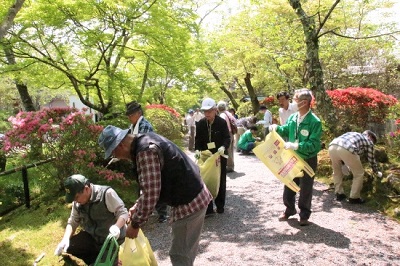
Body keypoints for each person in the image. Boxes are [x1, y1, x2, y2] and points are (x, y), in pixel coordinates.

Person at [98, 126, 212, 266]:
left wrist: (135, 224)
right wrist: (138, 205)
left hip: (190, 201)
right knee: (182, 253)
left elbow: (151, 192)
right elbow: (149, 185)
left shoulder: (145, 151)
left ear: (119, 145)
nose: (116, 157)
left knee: (181, 256)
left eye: (114, 153)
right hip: (192, 195)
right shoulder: (145, 139)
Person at [269, 89, 322, 226]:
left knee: (306, 187)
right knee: (289, 183)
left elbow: (314, 144)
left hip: (308, 158)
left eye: (295, 100)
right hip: (293, 157)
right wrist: (276, 128)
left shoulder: (314, 121)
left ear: (304, 103)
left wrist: (296, 146)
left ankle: (304, 214)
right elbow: (286, 129)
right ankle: (289, 209)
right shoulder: (294, 117)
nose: (293, 102)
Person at [54, 174, 128, 265]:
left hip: (113, 241)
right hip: (93, 239)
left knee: (108, 263)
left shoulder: (106, 194)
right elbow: (73, 221)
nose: (75, 201)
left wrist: (117, 227)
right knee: (71, 246)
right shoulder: (77, 203)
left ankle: (111, 260)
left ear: (86, 189)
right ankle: (96, 260)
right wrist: (65, 239)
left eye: (76, 197)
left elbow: (123, 213)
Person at [125, 101, 168, 223]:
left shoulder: (145, 125)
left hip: (150, 158)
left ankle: (162, 213)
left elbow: (139, 143)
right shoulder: (132, 126)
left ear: (139, 113)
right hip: (139, 158)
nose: (129, 117)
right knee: (142, 186)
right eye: (128, 115)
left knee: (153, 185)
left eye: (131, 114)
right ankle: (144, 210)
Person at [195, 98, 231, 215]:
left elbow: (227, 138)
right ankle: (209, 208)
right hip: (206, 156)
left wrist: (223, 147)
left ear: (215, 110)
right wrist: (197, 150)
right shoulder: (200, 124)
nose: (207, 114)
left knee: (220, 180)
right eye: (205, 111)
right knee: (206, 180)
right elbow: (198, 140)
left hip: (219, 156)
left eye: (209, 111)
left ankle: (220, 206)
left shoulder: (221, 122)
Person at [328, 130, 382, 203]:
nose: (373, 143)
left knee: (337, 172)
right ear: (370, 136)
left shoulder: (353, 134)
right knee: (359, 174)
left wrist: (343, 164)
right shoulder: (369, 141)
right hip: (347, 148)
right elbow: (371, 159)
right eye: (373, 141)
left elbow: (342, 149)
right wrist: (376, 171)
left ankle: (339, 194)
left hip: (332, 146)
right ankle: (354, 197)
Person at [217, 100, 235, 173]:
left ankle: (229, 167)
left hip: (226, 134)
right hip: (231, 133)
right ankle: (231, 166)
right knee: (230, 150)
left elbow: (222, 126)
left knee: (227, 150)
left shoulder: (222, 115)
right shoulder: (228, 113)